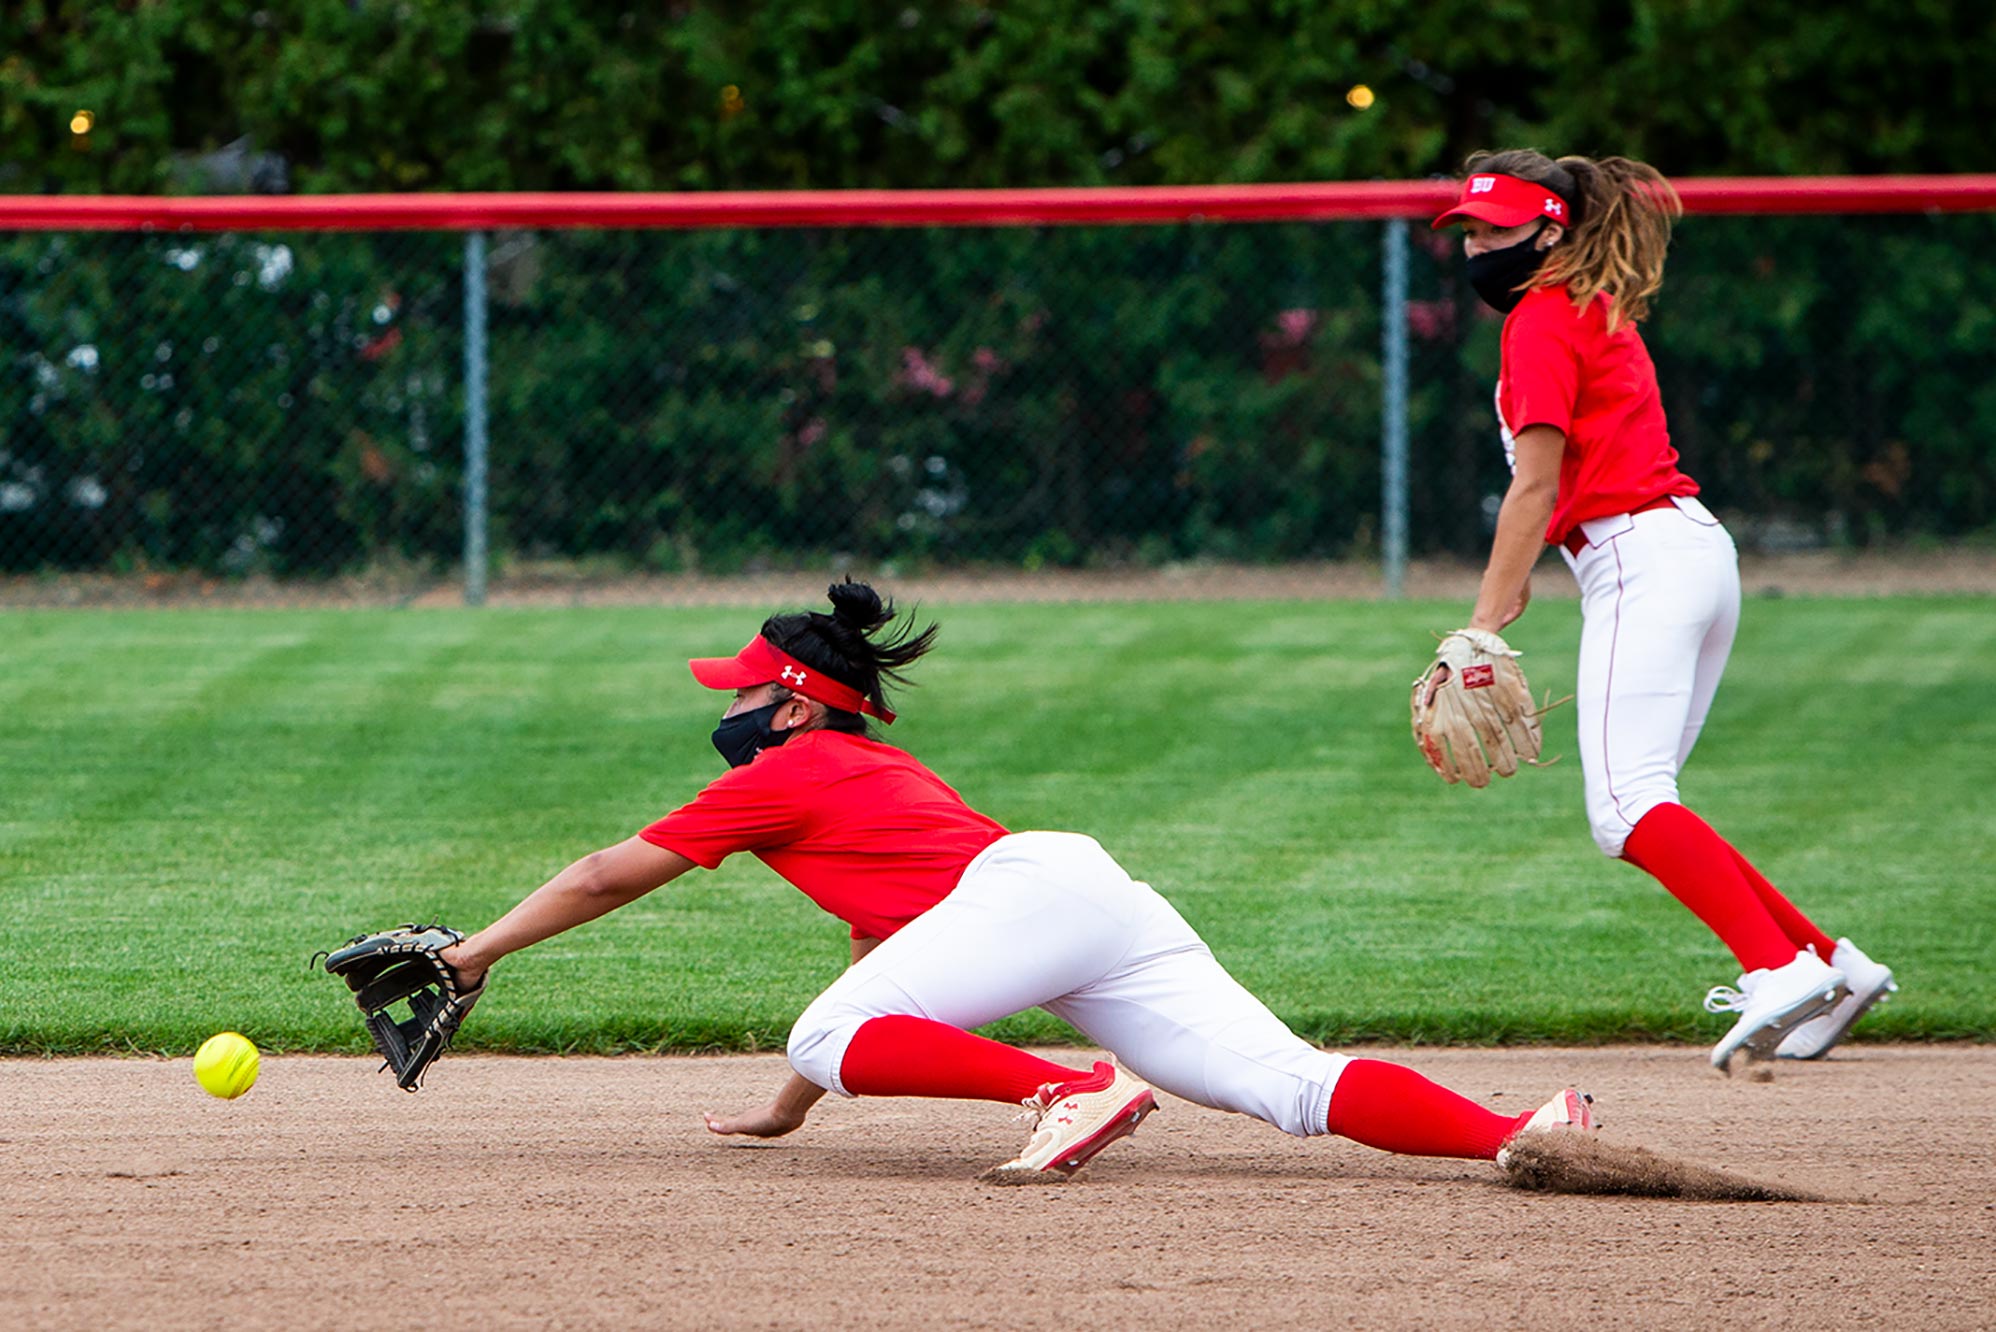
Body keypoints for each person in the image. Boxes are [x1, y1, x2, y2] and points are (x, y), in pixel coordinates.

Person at [439, 579, 1592, 1178]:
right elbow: (884, 965)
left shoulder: (775, 778)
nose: (725, 707)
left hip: (1021, 899)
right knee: (1287, 1083)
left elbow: (602, 875)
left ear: (791, 703)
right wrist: (791, 1105)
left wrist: (467, 954)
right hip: (1075, 892)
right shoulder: (872, 766)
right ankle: (1520, 1132)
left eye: (738, 692)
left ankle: (1065, 1092)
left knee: (827, 1034)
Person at [1430, 151, 1897, 1070]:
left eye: (1496, 228)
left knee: (1626, 808)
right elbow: (1561, 488)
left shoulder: (1534, 318)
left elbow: (1536, 483)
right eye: (1470, 231)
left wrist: (1478, 626)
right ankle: (1831, 964)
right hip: (1687, 551)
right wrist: (1516, 587)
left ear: (1552, 227)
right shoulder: (1588, 305)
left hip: (1641, 561)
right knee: (1651, 801)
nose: (1479, 245)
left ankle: (1773, 967)